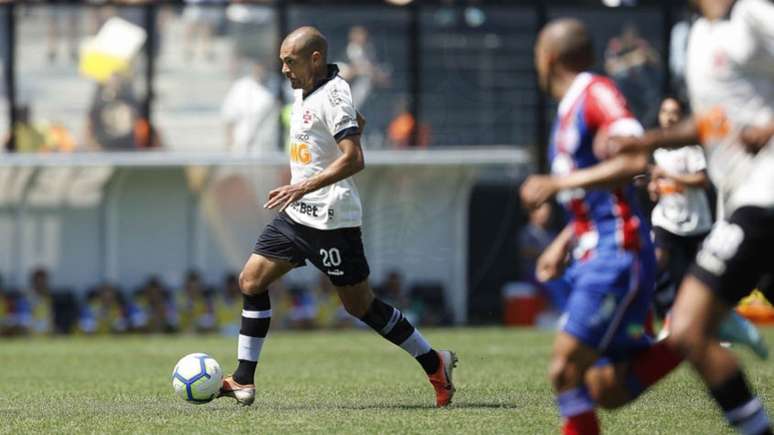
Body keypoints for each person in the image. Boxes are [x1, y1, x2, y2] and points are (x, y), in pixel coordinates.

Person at [217, 26, 456, 408]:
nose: (283, 70)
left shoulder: (333, 92)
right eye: (281, 62)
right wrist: (302, 189)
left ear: (314, 59)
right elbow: (353, 124)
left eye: (290, 62)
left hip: (331, 221)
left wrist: (302, 185)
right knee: (251, 279)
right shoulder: (309, 89)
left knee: (360, 307)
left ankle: (434, 362)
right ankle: (243, 380)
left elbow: (355, 157)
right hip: (297, 216)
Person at [520, 18, 697, 434]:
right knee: (608, 389)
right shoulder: (567, 111)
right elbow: (599, 191)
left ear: (548, 59)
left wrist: (557, 182)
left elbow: (636, 159)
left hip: (617, 253)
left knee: (565, 370)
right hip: (591, 251)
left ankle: (694, 330)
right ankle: (692, 335)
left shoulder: (595, 93)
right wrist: (565, 240)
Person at [610, 0, 774, 433]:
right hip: (742, 201)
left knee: (688, 326)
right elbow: (710, 123)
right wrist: (648, 140)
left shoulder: (753, 15)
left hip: (766, 196)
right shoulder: (698, 35)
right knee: (688, 329)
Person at [648, 96, 713, 320]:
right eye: (665, 111)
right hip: (666, 220)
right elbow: (656, 186)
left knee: (701, 277)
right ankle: (657, 313)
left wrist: (669, 175)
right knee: (656, 261)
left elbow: (701, 181)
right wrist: (654, 188)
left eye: (674, 112)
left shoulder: (692, 149)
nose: (669, 116)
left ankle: (707, 323)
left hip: (696, 223)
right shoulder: (656, 151)